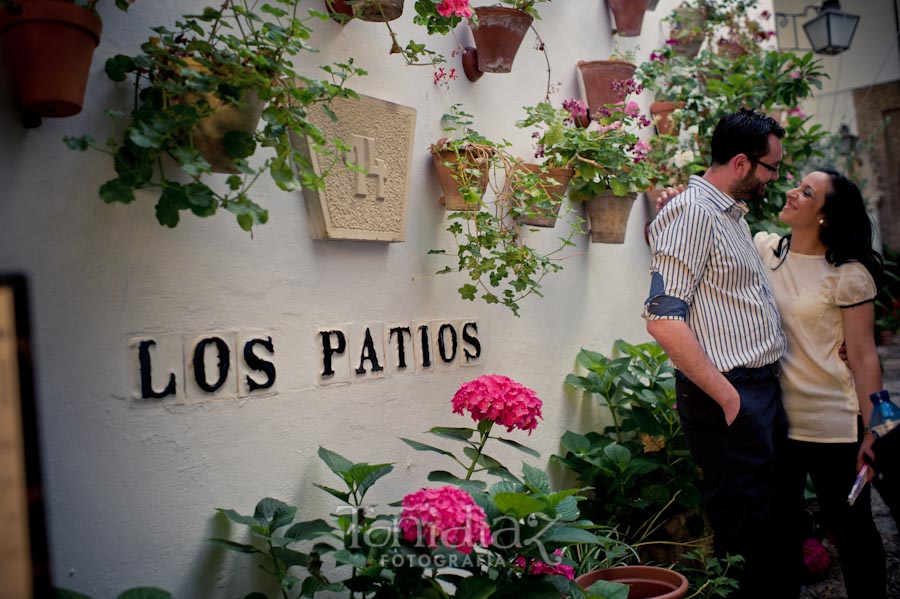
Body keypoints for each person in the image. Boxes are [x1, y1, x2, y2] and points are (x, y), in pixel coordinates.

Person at [643, 109, 793, 599]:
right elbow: (664, 319)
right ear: (741, 163)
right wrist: (729, 398)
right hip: (732, 396)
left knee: (766, 527)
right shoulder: (693, 212)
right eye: (771, 167)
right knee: (744, 536)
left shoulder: (727, 214)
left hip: (759, 390)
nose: (776, 177)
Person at [754, 167, 887, 599]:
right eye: (797, 185)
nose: (792, 193)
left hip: (834, 423)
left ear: (825, 216)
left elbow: (865, 356)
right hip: (778, 423)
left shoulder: (848, 274)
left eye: (806, 192)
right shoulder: (764, 249)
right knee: (779, 534)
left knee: (853, 532)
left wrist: (879, 428)